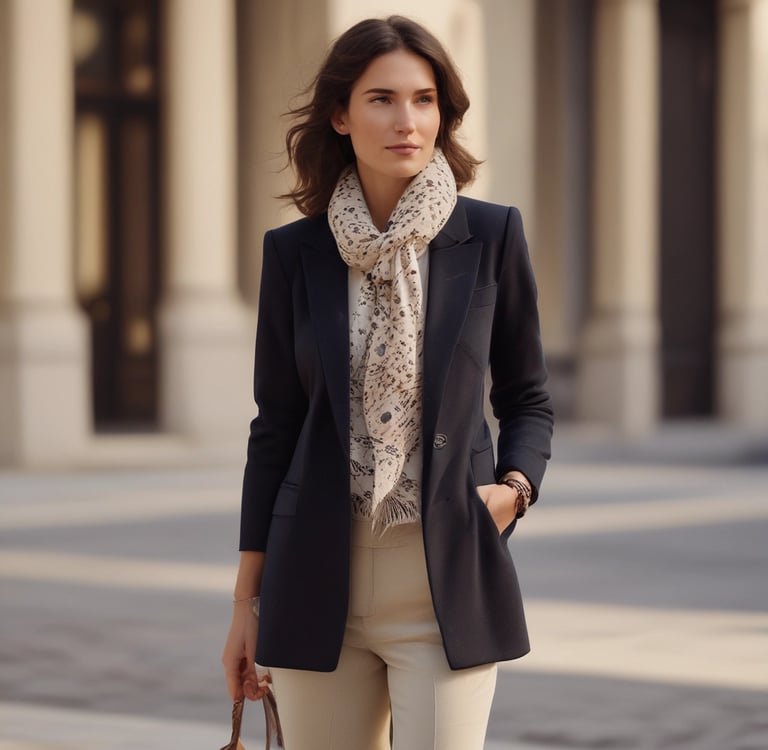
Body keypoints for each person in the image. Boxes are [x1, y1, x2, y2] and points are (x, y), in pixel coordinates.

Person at [222, 15, 553, 750]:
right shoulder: (295, 254)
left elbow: (526, 395)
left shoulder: (489, 237)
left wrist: (516, 488)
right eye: (381, 99)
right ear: (340, 114)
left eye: (425, 99)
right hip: (314, 582)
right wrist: (246, 604)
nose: (408, 120)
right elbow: (274, 428)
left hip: (445, 579)